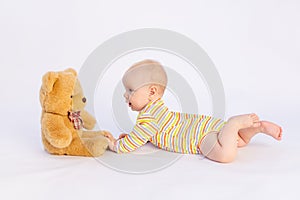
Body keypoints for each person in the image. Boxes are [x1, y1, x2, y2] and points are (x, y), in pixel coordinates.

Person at [105, 59, 282, 163]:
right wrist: (131, 136)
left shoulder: (148, 119)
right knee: (240, 141)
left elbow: (133, 142)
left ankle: (233, 123)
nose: (125, 95)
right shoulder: (157, 110)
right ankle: (258, 128)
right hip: (206, 125)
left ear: (152, 92)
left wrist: (115, 145)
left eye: (130, 90)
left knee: (226, 155)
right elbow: (142, 136)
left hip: (199, 137)